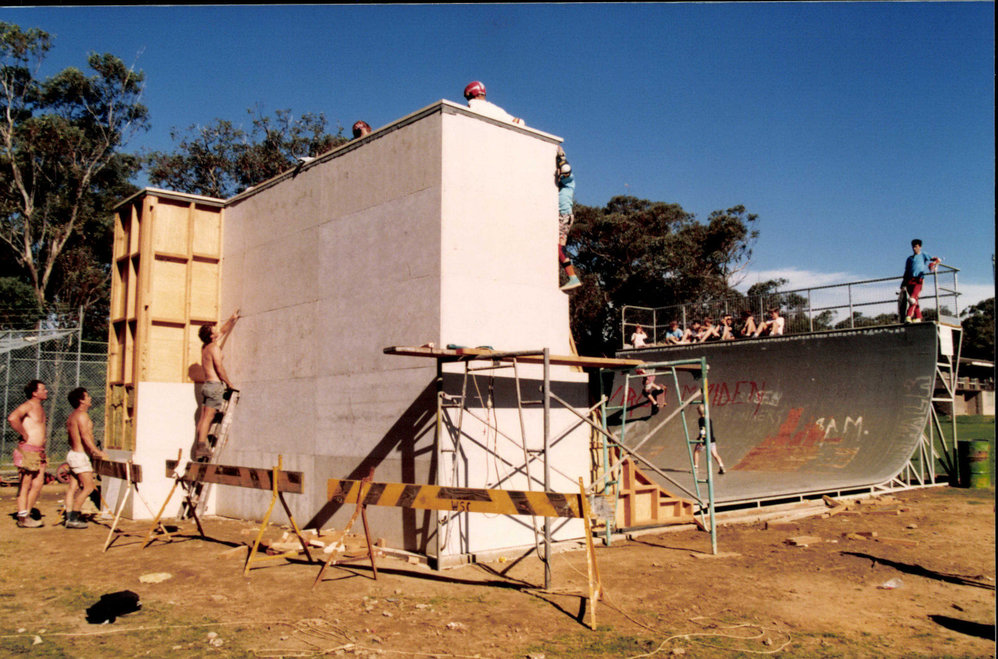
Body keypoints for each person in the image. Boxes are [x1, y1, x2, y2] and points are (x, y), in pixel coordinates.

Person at [193, 309, 240, 460]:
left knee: (203, 417)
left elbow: (222, 331)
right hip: (214, 386)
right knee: (209, 417)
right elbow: (219, 368)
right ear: (211, 336)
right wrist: (229, 383)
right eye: (214, 331)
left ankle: (199, 445)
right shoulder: (214, 348)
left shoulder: (206, 347)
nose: (217, 331)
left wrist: (232, 319)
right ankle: (201, 448)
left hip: (207, 385)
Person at [63, 387, 108, 529]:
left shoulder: (72, 416)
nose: (90, 399)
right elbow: (85, 436)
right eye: (87, 396)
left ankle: (69, 516)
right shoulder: (82, 415)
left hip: (74, 454)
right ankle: (73, 518)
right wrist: (97, 452)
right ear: (81, 400)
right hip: (79, 456)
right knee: (88, 487)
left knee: (73, 487)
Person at [7, 380, 49, 528]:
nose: (46, 391)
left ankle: (26, 514)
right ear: (34, 393)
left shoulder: (40, 407)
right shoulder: (29, 405)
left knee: (38, 484)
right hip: (28, 450)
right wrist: (23, 433)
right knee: (25, 484)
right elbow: (12, 418)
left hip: (39, 452)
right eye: (43, 389)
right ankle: (23, 517)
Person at [556, 146, 581, 291]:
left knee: (559, 248)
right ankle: (573, 277)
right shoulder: (560, 185)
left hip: (564, 216)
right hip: (563, 217)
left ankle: (573, 277)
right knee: (560, 249)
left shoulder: (569, 180)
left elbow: (566, 169)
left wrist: (562, 156)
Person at [901, 239, 941, 323]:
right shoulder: (909, 259)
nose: (914, 248)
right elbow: (906, 271)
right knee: (915, 300)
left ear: (920, 247)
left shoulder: (923, 255)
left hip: (919, 280)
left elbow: (937, 259)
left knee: (912, 299)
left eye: (916, 246)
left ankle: (908, 316)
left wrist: (932, 264)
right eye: (913, 247)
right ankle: (918, 317)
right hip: (909, 281)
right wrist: (903, 283)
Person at [694, 404, 726, 476]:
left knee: (696, 452)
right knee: (715, 454)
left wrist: (701, 439)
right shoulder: (709, 419)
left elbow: (702, 429)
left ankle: (696, 467)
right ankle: (721, 466)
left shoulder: (701, 420)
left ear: (699, 412)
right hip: (711, 439)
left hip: (704, 440)